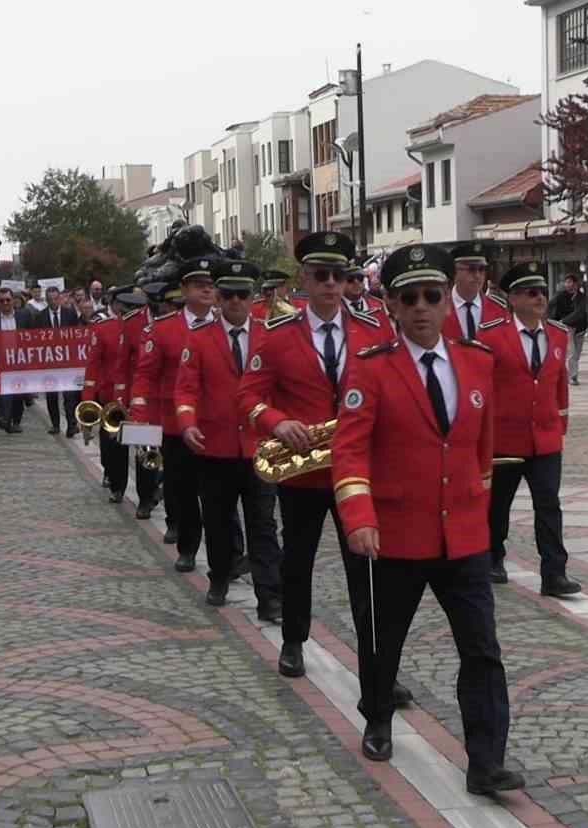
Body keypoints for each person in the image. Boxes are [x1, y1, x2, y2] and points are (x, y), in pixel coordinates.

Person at [330, 243, 521, 796]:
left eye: (431, 296)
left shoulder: (478, 361)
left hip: (462, 538)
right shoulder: (372, 369)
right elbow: (349, 451)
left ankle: (486, 762)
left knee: (482, 650)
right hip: (396, 534)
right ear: (389, 304)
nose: (421, 307)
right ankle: (379, 717)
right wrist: (359, 516)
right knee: (384, 641)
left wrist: (479, 519)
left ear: (446, 301)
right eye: (408, 297)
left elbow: (483, 455)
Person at [237, 231, 404, 708]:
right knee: (298, 561)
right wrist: (277, 421)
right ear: (304, 279)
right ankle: (293, 639)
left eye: (341, 275)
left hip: (358, 472)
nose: (332, 284)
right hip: (305, 471)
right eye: (321, 275)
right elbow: (248, 396)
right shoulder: (277, 334)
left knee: (367, 571)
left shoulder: (375, 330)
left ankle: (379, 669)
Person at [176, 258, 283, 621]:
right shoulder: (200, 338)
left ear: (253, 296)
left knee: (263, 526)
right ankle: (219, 577)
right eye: (228, 294)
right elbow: (186, 389)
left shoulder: (271, 335)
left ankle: (270, 597)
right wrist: (188, 424)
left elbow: (281, 390)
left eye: (242, 294)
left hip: (259, 449)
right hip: (215, 448)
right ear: (218, 298)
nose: (235, 301)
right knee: (218, 521)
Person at [481, 262, 582, 596]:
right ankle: (493, 558)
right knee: (498, 505)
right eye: (530, 293)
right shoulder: (491, 336)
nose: (540, 298)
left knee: (549, 506)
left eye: (541, 291)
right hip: (504, 439)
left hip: (545, 440)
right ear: (512, 299)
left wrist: (560, 426)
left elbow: (560, 386)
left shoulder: (557, 333)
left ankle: (554, 573)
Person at [132, 262, 215, 572]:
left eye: (211, 283)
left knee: (219, 496)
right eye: (199, 284)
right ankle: (188, 546)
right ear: (185, 290)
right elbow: (145, 376)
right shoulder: (163, 329)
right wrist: (140, 418)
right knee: (183, 490)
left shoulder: (228, 324)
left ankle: (230, 555)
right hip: (174, 425)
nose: (207, 289)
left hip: (216, 423)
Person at [80, 287, 135, 503]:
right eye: (122, 305)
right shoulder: (104, 329)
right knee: (112, 447)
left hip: (138, 397)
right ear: (113, 306)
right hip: (110, 399)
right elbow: (92, 367)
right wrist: (87, 401)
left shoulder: (144, 328)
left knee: (143, 445)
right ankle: (117, 484)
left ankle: (148, 495)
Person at [119, 285, 163, 520]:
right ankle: (145, 500)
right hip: (141, 398)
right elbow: (123, 364)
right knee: (143, 454)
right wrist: (121, 399)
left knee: (170, 456)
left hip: (167, 400)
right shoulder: (132, 322)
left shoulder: (176, 321)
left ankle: (162, 491)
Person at [34, 288, 83, 436]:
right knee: (52, 395)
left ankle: (71, 424)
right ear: (47, 300)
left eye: (56, 299)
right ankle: (55, 424)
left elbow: (76, 336)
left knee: (69, 395)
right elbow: (35, 339)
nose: (53, 302)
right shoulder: (40, 317)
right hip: (49, 362)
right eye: (50, 299)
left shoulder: (70, 313)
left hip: (67, 361)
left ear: (60, 298)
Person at [0, 288, 30, 433]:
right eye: (2, 300)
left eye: (8, 300)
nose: (5, 303)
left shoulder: (24, 316)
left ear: (13, 300)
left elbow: (33, 335)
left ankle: (16, 421)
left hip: (20, 359)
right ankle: (5, 417)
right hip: (0, 360)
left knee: (18, 392)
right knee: (2, 392)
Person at [442, 242, 507, 340]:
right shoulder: (438, 308)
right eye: (471, 269)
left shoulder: (499, 309)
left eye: (481, 269)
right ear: (454, 272)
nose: (477, 275)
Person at [550, 274, 588, 385]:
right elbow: (550, 306)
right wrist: (557, 322)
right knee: (571, 352)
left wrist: (563, 321)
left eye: (570, 282)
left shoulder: (581, 297)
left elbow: (580, 312)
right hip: (567, 327)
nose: (568, 284)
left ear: (576, 284)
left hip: (580, 328)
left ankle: (571, 374)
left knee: (577, 354)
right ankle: (573, 377)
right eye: (566, 282)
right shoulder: (560, 296)